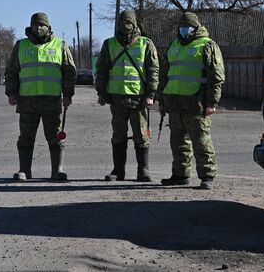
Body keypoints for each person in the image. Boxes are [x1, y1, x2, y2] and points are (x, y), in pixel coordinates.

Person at [5, 12, 76, 181]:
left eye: (42, 25)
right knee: (26, 137)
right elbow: (12, 71)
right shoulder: (21, 45)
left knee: (55, 135)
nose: (39, 28)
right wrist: (11, 92)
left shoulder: (60, 45)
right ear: (31, 26)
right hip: (27, 100)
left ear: (48, 27)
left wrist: (68, 94)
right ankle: (24, 170)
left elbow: (69, 72)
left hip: (51, 100)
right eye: (36, 25)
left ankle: (57, 170)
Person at [158, 11, 225, 190]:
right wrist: (162, 101)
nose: (183, 30)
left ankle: (207, 176)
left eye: (186, 27)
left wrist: (212, 102)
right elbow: (164, 74)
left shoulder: (207, 45)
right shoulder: (174, 45)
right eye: (181, 27)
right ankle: (180, 175)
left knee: (201, 141)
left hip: (197, 102)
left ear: (196, 28)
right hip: (174, 103)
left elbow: (216, 77)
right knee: (178, 142)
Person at [95, 10, 159, 182]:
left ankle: (143, 171)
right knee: (118, 135)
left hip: (139, 99)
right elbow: (101, 70)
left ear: (135, 24)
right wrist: (101, 92)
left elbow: (153, 70)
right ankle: (118, 171)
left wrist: (151, 94)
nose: (126, 26)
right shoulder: (109, 44)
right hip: (116, 98)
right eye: (123, 22)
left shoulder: (146, 44)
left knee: (141, 135)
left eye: (129, 22)